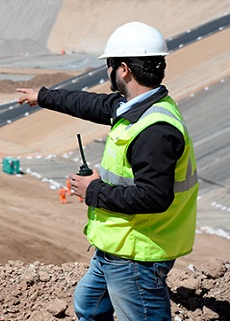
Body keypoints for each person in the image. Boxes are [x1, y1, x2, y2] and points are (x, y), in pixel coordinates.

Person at [17, 22, 198, 321]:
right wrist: (43, 96)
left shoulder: (155, 130)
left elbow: (155, 197)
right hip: (118, 243)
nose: (108, 72)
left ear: (124, 69)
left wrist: (92, 190)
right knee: (89, 306)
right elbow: (94, 104)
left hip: (138, 253)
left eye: (110, 65)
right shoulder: (142, 106)